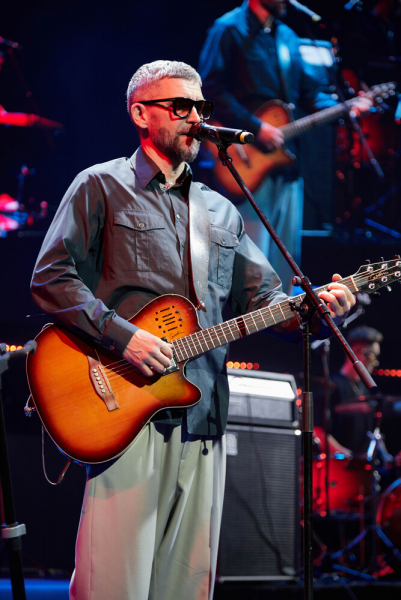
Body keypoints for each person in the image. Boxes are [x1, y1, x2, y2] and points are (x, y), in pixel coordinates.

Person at [30, 60, 355, 600]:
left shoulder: (221, 211)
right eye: (181, 106)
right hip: (126, 413)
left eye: (201, 107)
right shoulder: (101, 185)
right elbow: (51, 278)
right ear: (141, 113)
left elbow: (268, 303)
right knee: (113, 587)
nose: (196, 118)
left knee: (186, 588)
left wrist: (316, 310)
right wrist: (124, 335)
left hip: (204, 418)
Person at [199, 0, 372, 294]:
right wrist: (256, 127)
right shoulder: (228, 29)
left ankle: (282, 319)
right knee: (250, 261)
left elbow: (310, 93)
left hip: (286, 162)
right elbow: (210, 89)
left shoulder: (288, 36)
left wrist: (346, 107)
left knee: (285, 262)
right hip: (245, 161)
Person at [314, 325, 383, 455]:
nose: (376, 362)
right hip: (337, 463)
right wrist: (346, 456)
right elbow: (318, 431)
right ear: (361, 352)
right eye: (374, 356)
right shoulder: (332, 386)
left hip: (360, 464)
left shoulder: (366, 389)